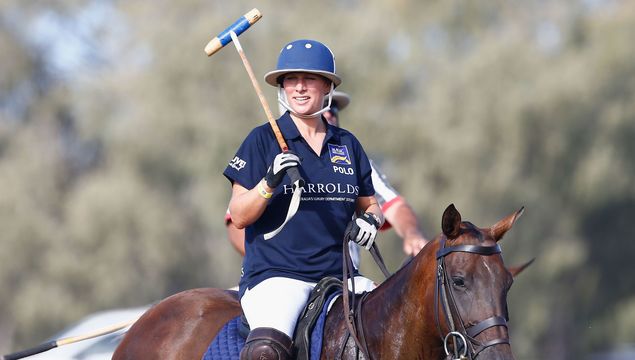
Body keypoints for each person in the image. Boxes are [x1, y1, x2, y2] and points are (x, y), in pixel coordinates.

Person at [223, 39, 383, 360]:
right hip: (277, 276)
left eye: (308, 79)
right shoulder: (262, 139)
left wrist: (371, 220)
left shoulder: (347, 144)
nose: (299, 88)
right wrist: (268, 183)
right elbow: (239, 215)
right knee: (266, 351)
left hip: (341, 278)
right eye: (291, 80)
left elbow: (370, 204)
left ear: (326, 86)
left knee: (400, 325)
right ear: (282, 87)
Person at [225, 91, 429, 265]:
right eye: (324, 108)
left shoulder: (351, 153)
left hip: (344, 276)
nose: (328, 114)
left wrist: (412, 234)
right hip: (280, 274)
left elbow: (393, 206)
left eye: (332, 109)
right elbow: (236, 222)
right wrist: (274, 257)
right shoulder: (264, 147)